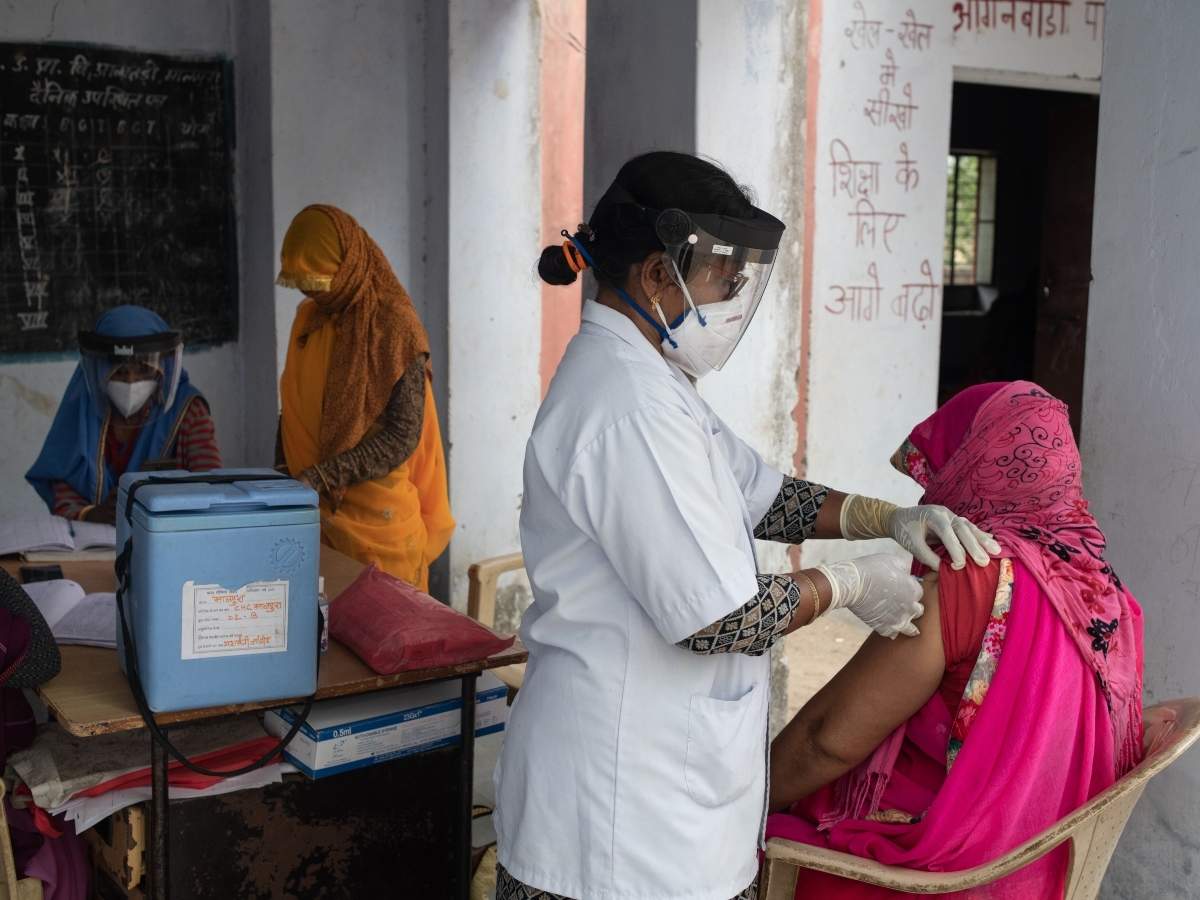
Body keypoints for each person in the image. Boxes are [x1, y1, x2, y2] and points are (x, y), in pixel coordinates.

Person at [493, 152, 999, 900]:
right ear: (658, 275)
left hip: (665, 794)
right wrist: (848, 584)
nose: (732, 299)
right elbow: (721, 620)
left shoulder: (655, 380)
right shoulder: (625, 406)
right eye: (721, 281)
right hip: (618, 819)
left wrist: (885, 516)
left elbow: (764, 496)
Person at [766, 381, 1144, 899]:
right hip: (1041, 874)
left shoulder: (972, 578)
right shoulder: (1106, 594)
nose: (930, 495)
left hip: (933, 875)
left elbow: (824, 740)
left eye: (937, 475)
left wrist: (746, 801)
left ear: (974, 469)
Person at [275, 204, 454, 593]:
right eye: (303, 283)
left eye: (319, 282)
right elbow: (292, 408)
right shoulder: (308, 321)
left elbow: (402, 435)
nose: (310, 294)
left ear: (349, 265)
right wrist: (280, 478)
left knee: (385, 627)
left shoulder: (395, 327)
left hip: (380, 532)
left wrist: (323, 476)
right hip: (312, 520)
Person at [26, 305, 221, 524]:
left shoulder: (188, 410)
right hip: (95, 538)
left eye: (143, 370)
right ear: (99, 369)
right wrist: (90, 513)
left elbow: (212, 489)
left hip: (168, 533)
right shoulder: (82, 409)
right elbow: (63, 488)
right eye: (120, 371)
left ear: (163, 367)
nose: (131, 381)